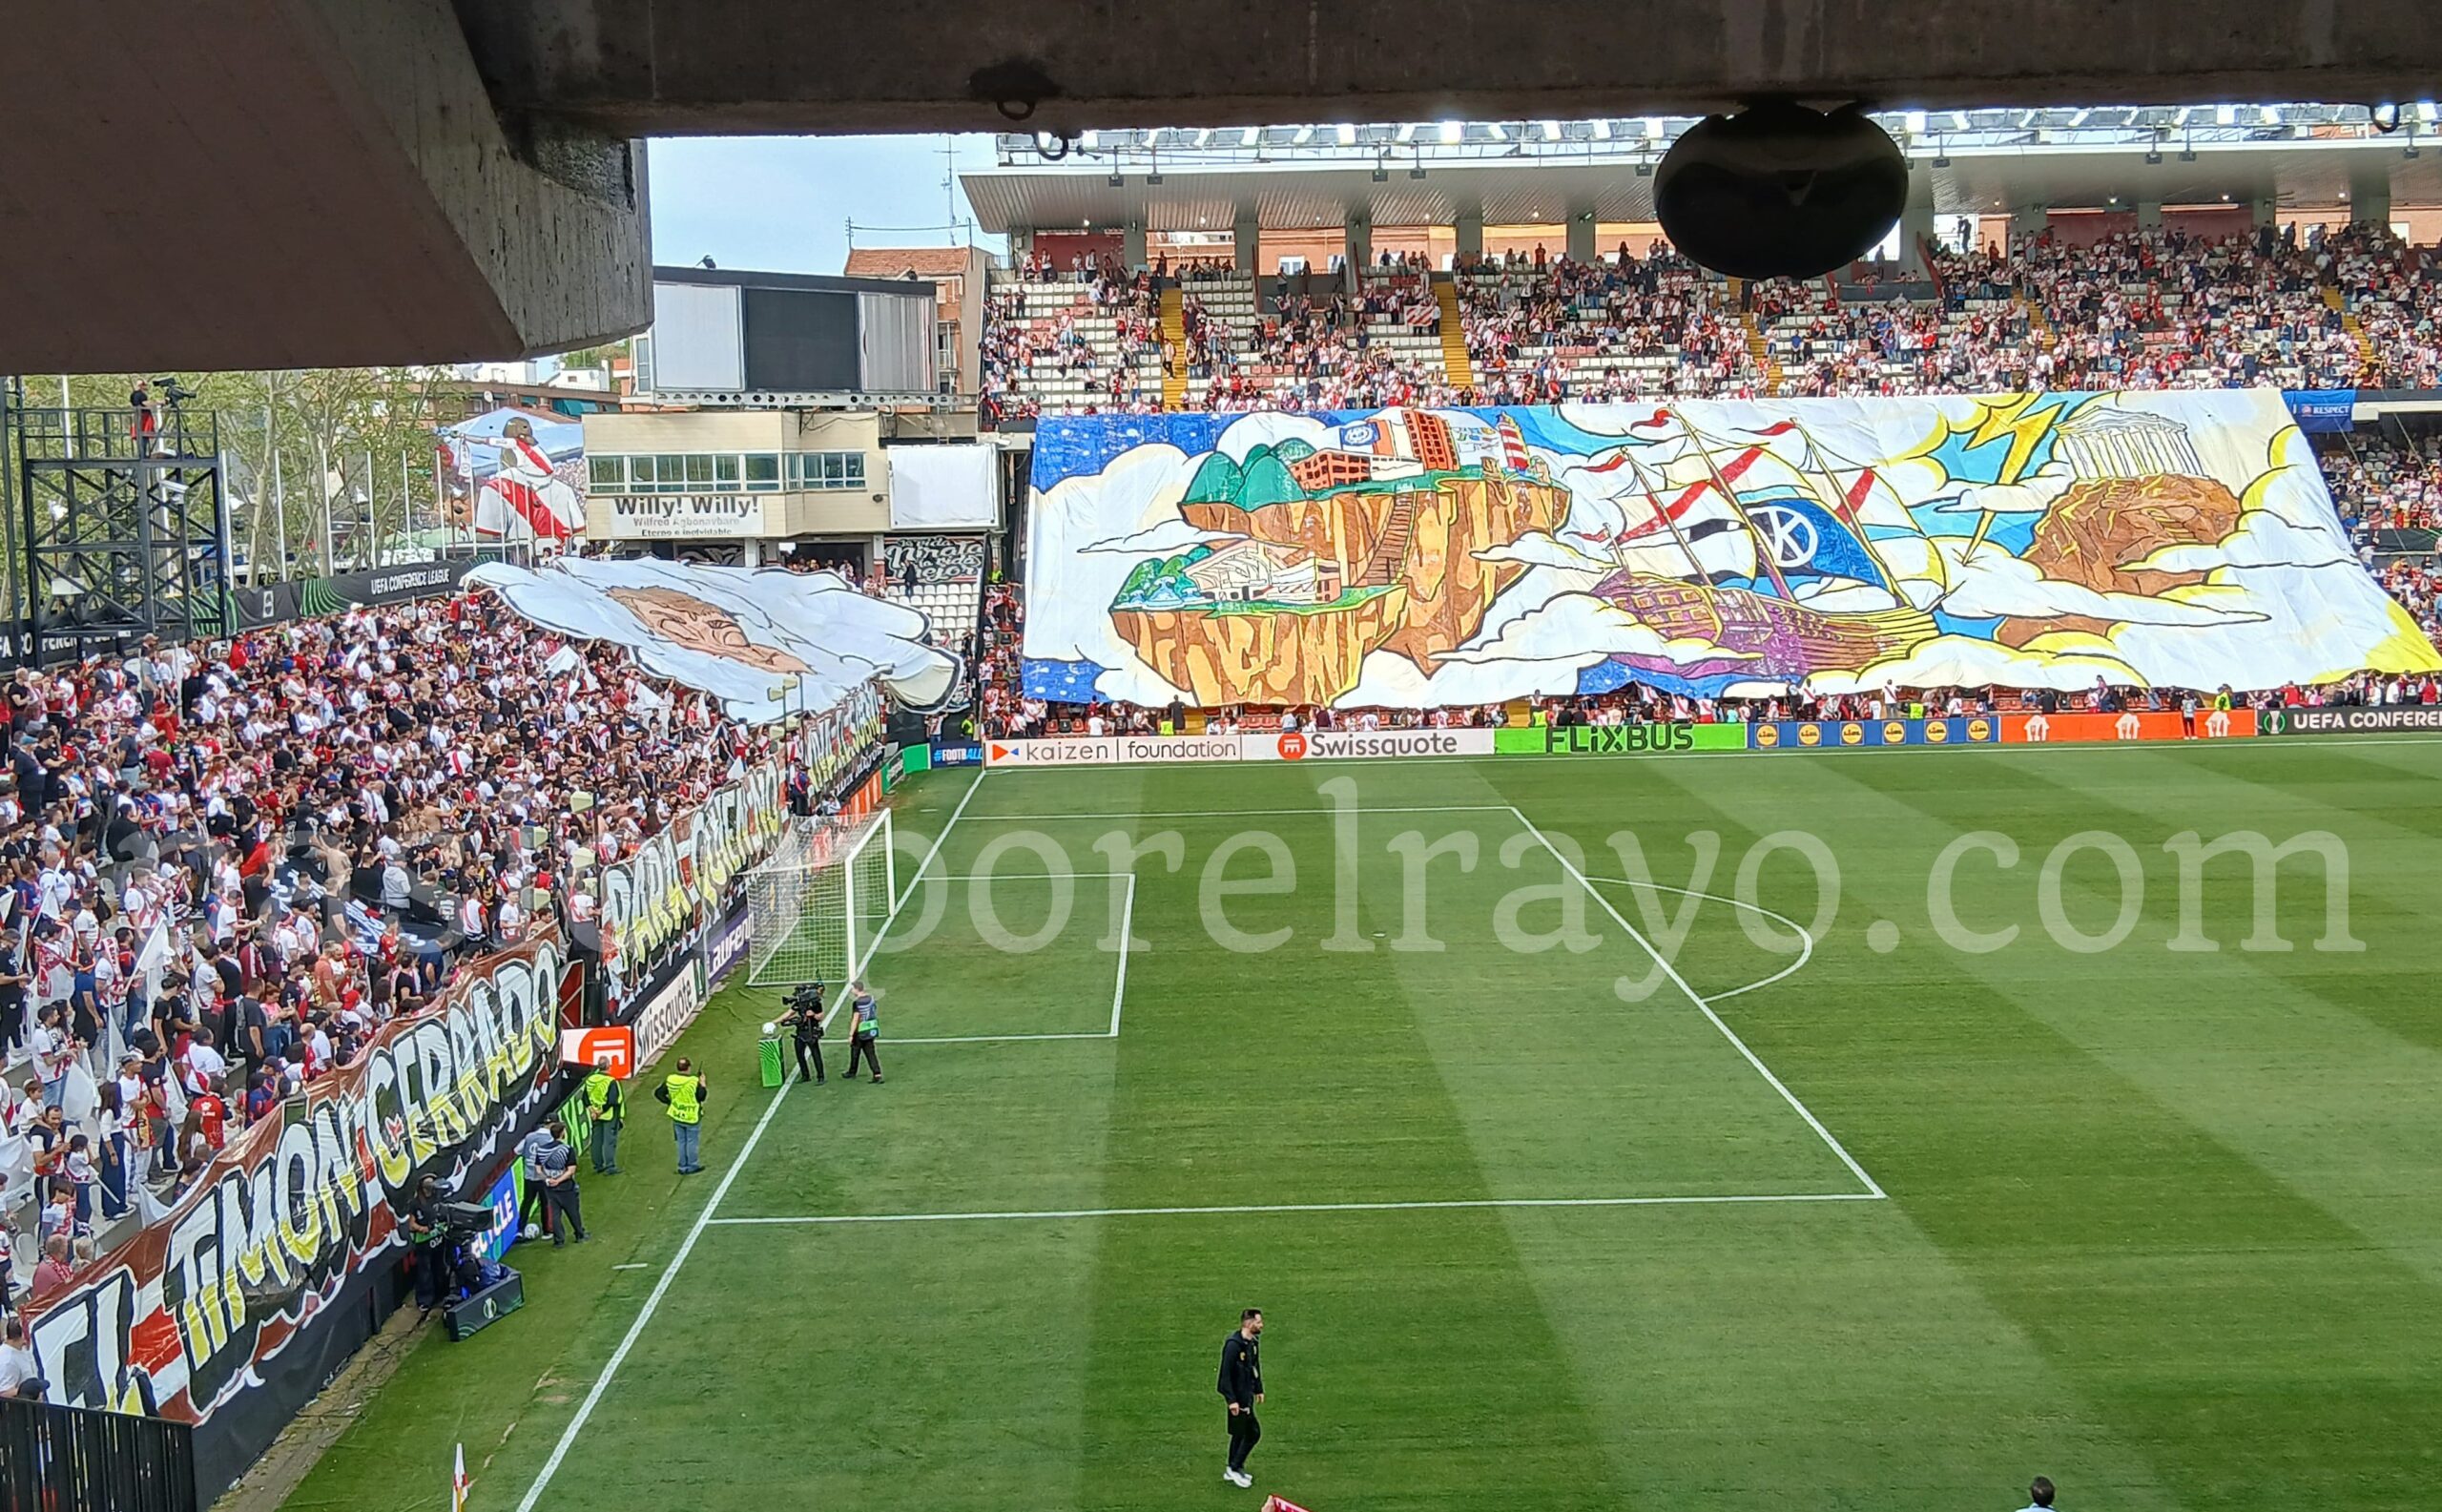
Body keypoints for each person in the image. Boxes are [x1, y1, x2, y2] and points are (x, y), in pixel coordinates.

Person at [1217, 1308, 1265, 1487]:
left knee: (1239, 1433)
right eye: (1259, 1322)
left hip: (1247, 1397)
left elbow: (1254, 1366)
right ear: (1249, 1323)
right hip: (1238, 1400)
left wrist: (1258, 1389)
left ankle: (1233, 1468)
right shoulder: (1233, 1346)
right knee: (1253, 1433)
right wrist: (1231, 1400)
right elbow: (1225, 1375)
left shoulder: (1252, 1343)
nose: (1261, 1325)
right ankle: (1235, 1467)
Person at [404, 1174, 452, 1321]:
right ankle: (425, 1300)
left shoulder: (438, 1198)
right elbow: (411, 1225)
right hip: (424, 1243)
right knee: (425, 1272)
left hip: (438, 1239)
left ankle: (441, 1294)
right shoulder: (416, 1203)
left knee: (440, 1267)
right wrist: (422, 1228)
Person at [536, 1120, 587, 1245]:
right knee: (573, 1212)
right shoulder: (567, 1149)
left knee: (555, 1215)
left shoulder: (541, 1150)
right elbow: (571, 1170)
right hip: (565, 1187)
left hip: (549, 1187)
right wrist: (558, 1180)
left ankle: (559, 1240)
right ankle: (579, 1235)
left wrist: (547, 1179)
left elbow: (538, 1169)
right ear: (562, 1133)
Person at [656, 1057, 708, 1174]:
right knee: (691, 1142)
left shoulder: (671, 1079)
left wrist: (670, 1102)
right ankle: (692, 1165)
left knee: (681, 1141)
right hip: (691, 1116)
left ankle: (682, 1166)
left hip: (677, 1115)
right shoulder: (693, 1081)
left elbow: (658, 1093)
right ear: (689, 1068)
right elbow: (701, 1097)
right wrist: (703, 1084)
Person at [582, 1055, 625, 1174]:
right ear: (608, 1066)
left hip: (595, 1115)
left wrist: (593, 1112)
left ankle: (598, 1165)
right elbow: (612, 1101)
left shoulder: (590, 1080)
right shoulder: (610, 1081)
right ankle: (610, 1166)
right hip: (609, 1115)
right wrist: (601, 1111)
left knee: (596, 1140)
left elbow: (585, 1098)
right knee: (609, 1141)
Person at [779, 984, 826, 1085]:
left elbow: (820, 1016)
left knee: (815, 1054)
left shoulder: (815, 1003)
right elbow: (789, 1013)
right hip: (800, 1032)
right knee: (799, 1054)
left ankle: (820, 1076)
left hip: (811, 1031)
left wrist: (813, 1015)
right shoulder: (798, 1003)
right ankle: (805, 1075)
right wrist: (775, 1021)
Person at [844, 983, 882, 1084]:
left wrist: (851, 1034)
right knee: (871, 1053)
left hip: (861, 1031)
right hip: (871, 1029)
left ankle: (852, 1072)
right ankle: (877, 1074)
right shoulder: (871, 998)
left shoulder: (857, 1003)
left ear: (857, 989)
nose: (852, 990)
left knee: (855, 1051)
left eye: (853, 988)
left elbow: (856, 1019)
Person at [0, 1318, 36, 1396]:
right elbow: (3, 1394)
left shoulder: (20, 1348)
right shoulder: (8, 1361)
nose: (26, 1341)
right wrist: (28, 1390)